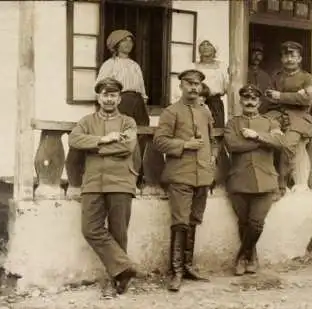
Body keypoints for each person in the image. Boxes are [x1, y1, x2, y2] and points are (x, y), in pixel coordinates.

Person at [68, 77, 138, 299]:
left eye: (113, 95)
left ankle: (118, 279)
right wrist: (104, 139)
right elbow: (74, 140)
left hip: (121, 181)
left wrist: (95, 148)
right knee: (90, 228)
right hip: (93, 182)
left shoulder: (128, 122)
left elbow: (127, 146)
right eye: (105, 95)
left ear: (119, 98)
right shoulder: (87, 121)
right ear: (98, 97)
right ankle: (126, 267)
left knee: (119, 232)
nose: (109, 99)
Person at [153, 69, 215, 292]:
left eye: (197, 83)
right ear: (180, 85)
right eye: (189, 83)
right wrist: (184, 145)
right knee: (180, 222)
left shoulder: (205, 112)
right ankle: (176, 271)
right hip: (180, 174)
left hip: (202, 175)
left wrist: (211, 163)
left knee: (194, 220)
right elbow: (159, 141)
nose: (194, 87)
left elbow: (211, 140)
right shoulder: (171, 112)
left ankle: (188, 267)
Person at [224, 84, 286, 276]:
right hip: (239, 179)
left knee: (256, 222)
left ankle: (242, 256)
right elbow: (232, 145)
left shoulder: (270, 123)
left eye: (254, 99)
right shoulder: (232, 123)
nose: (250, 102)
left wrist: (257, 135)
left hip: (265, 180)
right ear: (241, 101)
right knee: (244, 223)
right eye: (246, 98)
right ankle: (252, 258)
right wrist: (260, 144)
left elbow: (280, 142)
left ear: (259, 102)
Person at [263, 41, 312, 199]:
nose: (289, 59)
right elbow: (269, 97)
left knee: (287, 145)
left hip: (299, 118)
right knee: (258, 134)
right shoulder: (277, 76)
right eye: (286, 55)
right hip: (277, 114)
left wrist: (281, 96)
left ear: (299, 58)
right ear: (282, 59)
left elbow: (307, 100)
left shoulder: (307, 78)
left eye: (293, 55)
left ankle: (280, 186)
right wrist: (295, 96)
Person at [96, 29, 150, 184]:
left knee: (140, 135)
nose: (128, 44)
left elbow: (142, 89)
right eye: (124, 41)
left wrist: (143, 104)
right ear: (116, 45)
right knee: (121, 136)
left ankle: (138, 174)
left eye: (130, 40)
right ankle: (119, 174)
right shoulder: (110, 65)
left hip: (138, 103)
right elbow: (101, 87)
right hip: (122, 101)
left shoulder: (135, 65)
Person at [193, 39, 229, 128]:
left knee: (216, 130)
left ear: (214, 49)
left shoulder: (222, 67)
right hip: (197, 102)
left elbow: (227, 87)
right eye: (202, 44)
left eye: (208, 44)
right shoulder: (193, 66)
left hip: (215, 104)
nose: (205, 47)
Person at [247, 41, 272, 114]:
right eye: (254, 53)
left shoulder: (265, 76)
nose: (257, 56)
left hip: (262, 113)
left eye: (259, 54)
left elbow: (268, 96)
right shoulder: (243, 73)